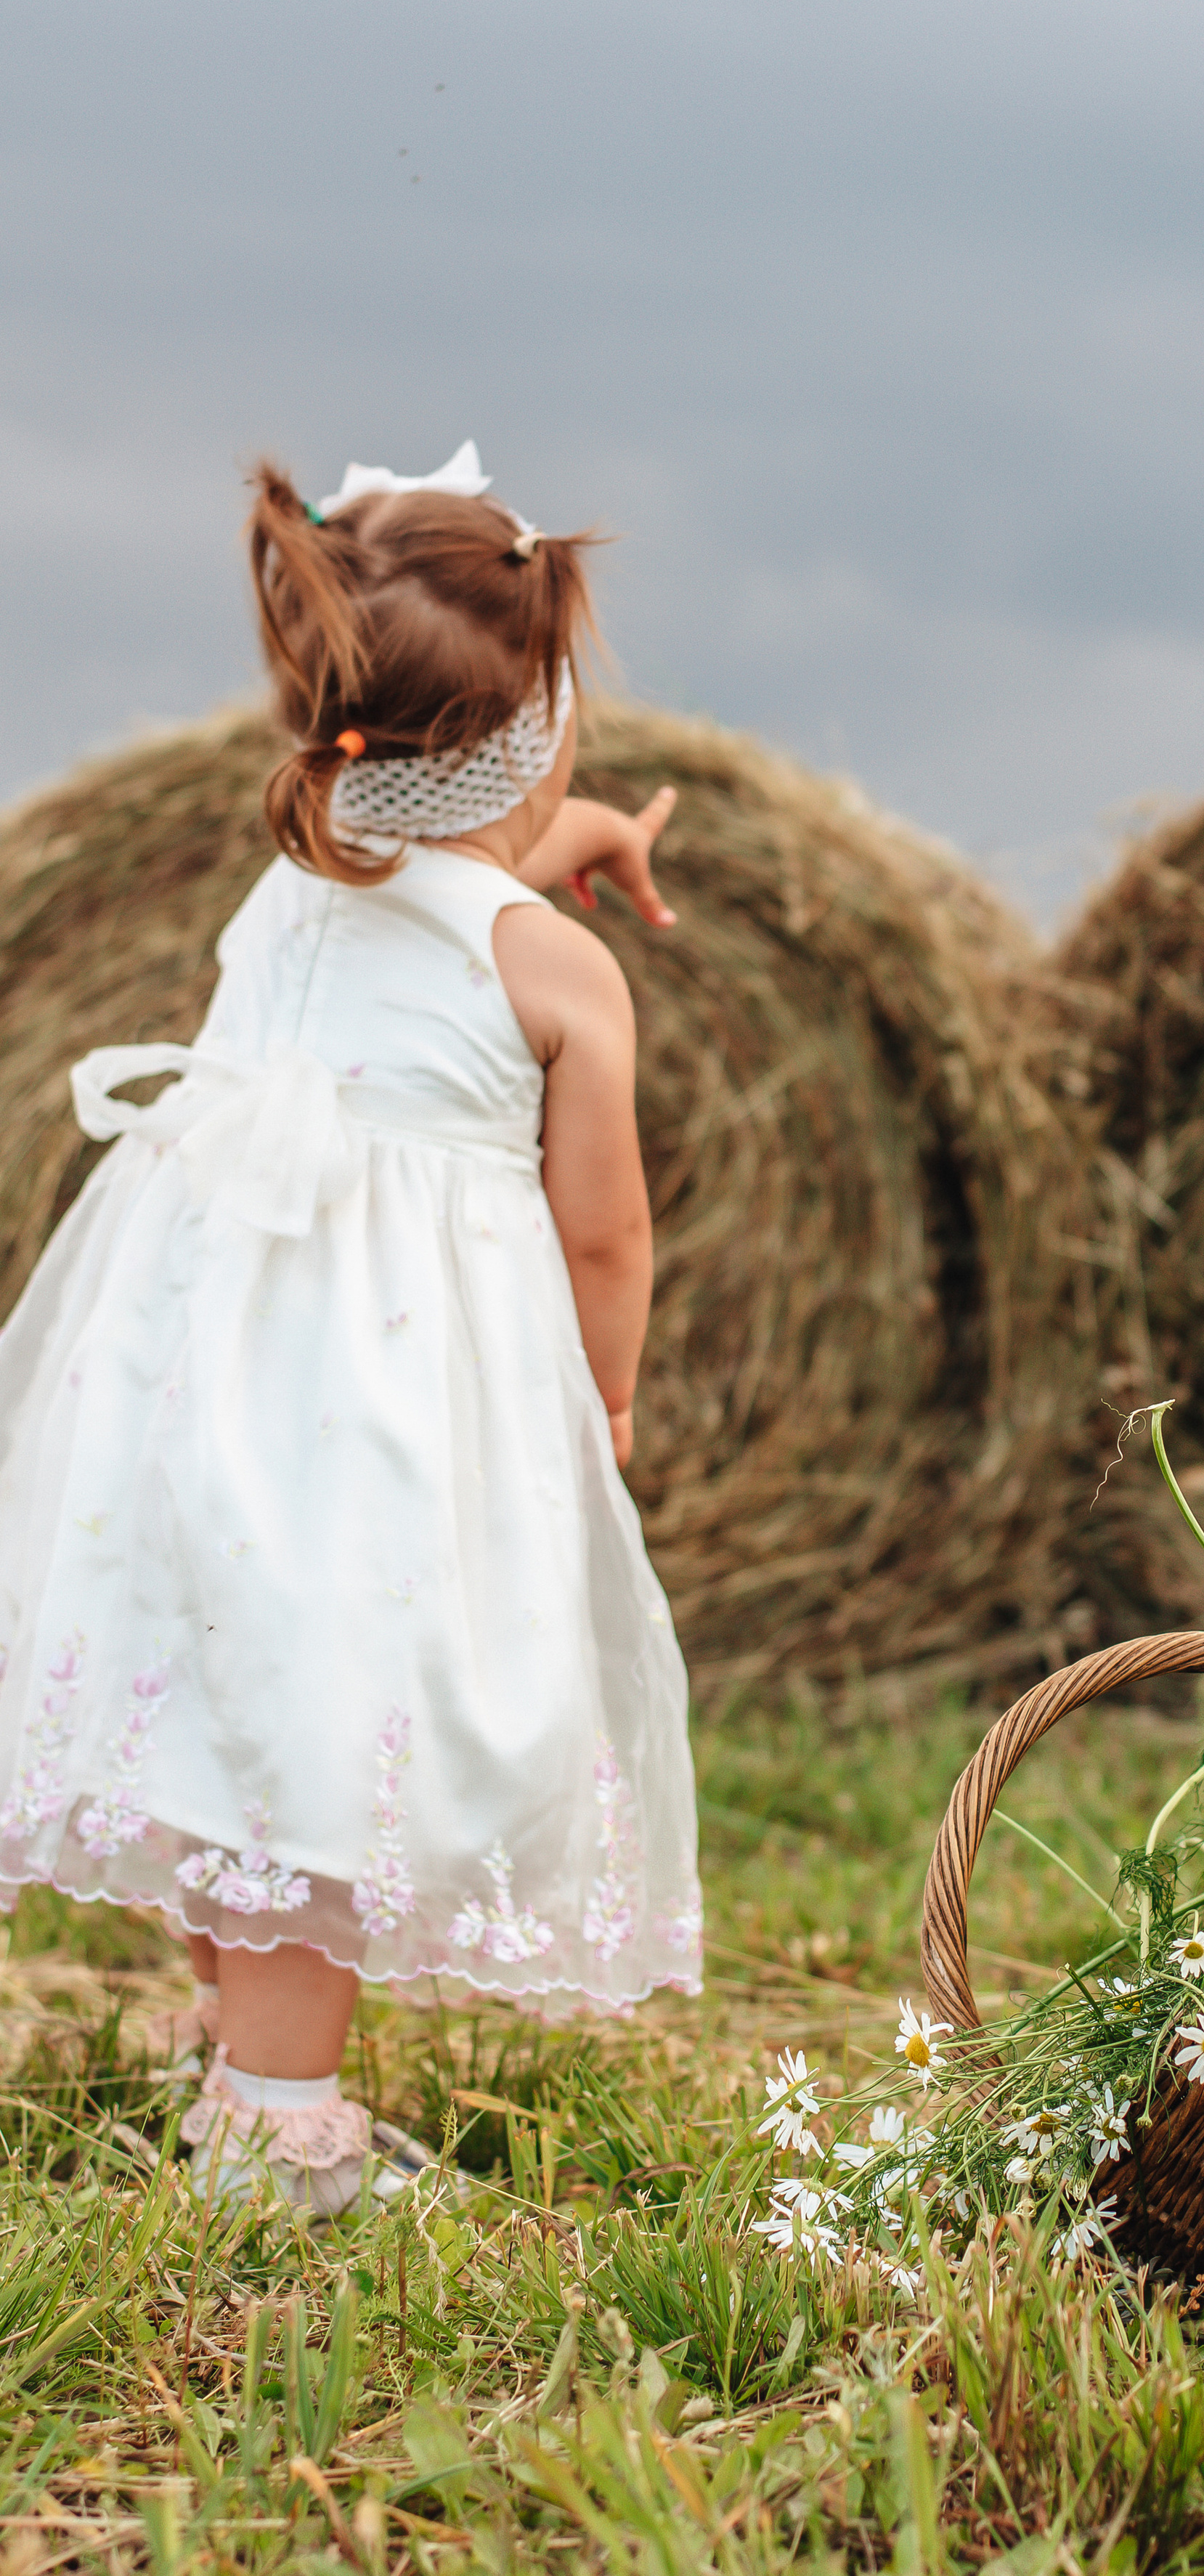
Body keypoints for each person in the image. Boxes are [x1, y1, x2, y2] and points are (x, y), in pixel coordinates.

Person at [0, 441, 701, 2211]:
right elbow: (604, 1227)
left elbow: (438, 855)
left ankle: (233, 2039)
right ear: (533, 733)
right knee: (334, 1716)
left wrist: (572, 841)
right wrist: (603, 1396)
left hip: (199, 1366)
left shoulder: (295, 878)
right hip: (384, 1395)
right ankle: (275, 2126)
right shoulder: (555, 966)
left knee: (224, 1682)